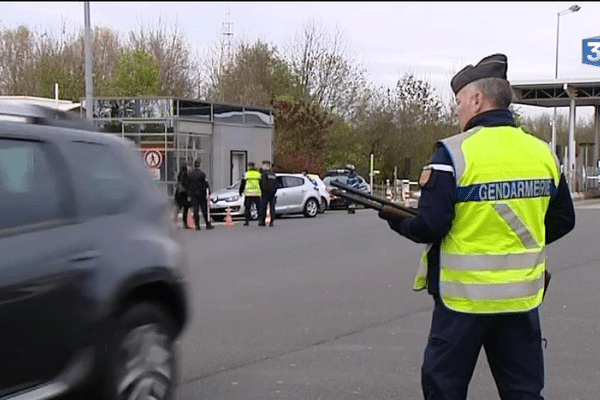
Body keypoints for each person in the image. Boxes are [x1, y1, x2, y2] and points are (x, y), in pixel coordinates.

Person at [377, 53, 575, 400]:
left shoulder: (454, 153)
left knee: (445, 390)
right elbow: (563, 220)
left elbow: (430, 226)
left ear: (477, 99)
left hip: (463, 304)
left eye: (458, 102)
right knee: (523, 392)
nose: (456, 110)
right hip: (520, 302)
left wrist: (396, 219)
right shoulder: (543, 152)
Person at [186, 160, 213, 230]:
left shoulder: (190, 174)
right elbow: (205, 184)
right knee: (204, 209)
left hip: (193, 194)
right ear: (199, 165)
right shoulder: (202, 174)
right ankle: (207, 223)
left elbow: (187, 185)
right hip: (201, 194)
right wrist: (208, 191)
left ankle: (197, 225)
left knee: (195, 210)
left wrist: (189, 193)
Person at [239, 161, 262, 226]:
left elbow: (242, 184)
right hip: (256, 193)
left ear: (248, 167)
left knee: (247, 207)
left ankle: (247, 221)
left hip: (248, 193)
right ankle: (260, 220)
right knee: (259, 207)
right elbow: (261, 184)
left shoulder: (246, 174)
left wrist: (240, 191)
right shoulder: (258, 174)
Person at [259, 160, 278, 227]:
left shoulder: (264, 174)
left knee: (263, 207)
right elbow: (276, 185)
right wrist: (273, 191)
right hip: (272, 193)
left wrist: (262, 191)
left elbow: (263, 184)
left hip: (265, 193)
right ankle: (272, 221)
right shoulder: (273, 174)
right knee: (272, 207)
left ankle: (262, 221)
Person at [174, 162, 190, 228]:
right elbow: (186, 184)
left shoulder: (180, 174)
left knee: (179, 208)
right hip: (184, 193)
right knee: (185, 209)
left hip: (179, 193)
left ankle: (174, 220)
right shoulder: (185, 174)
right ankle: (185, 223)